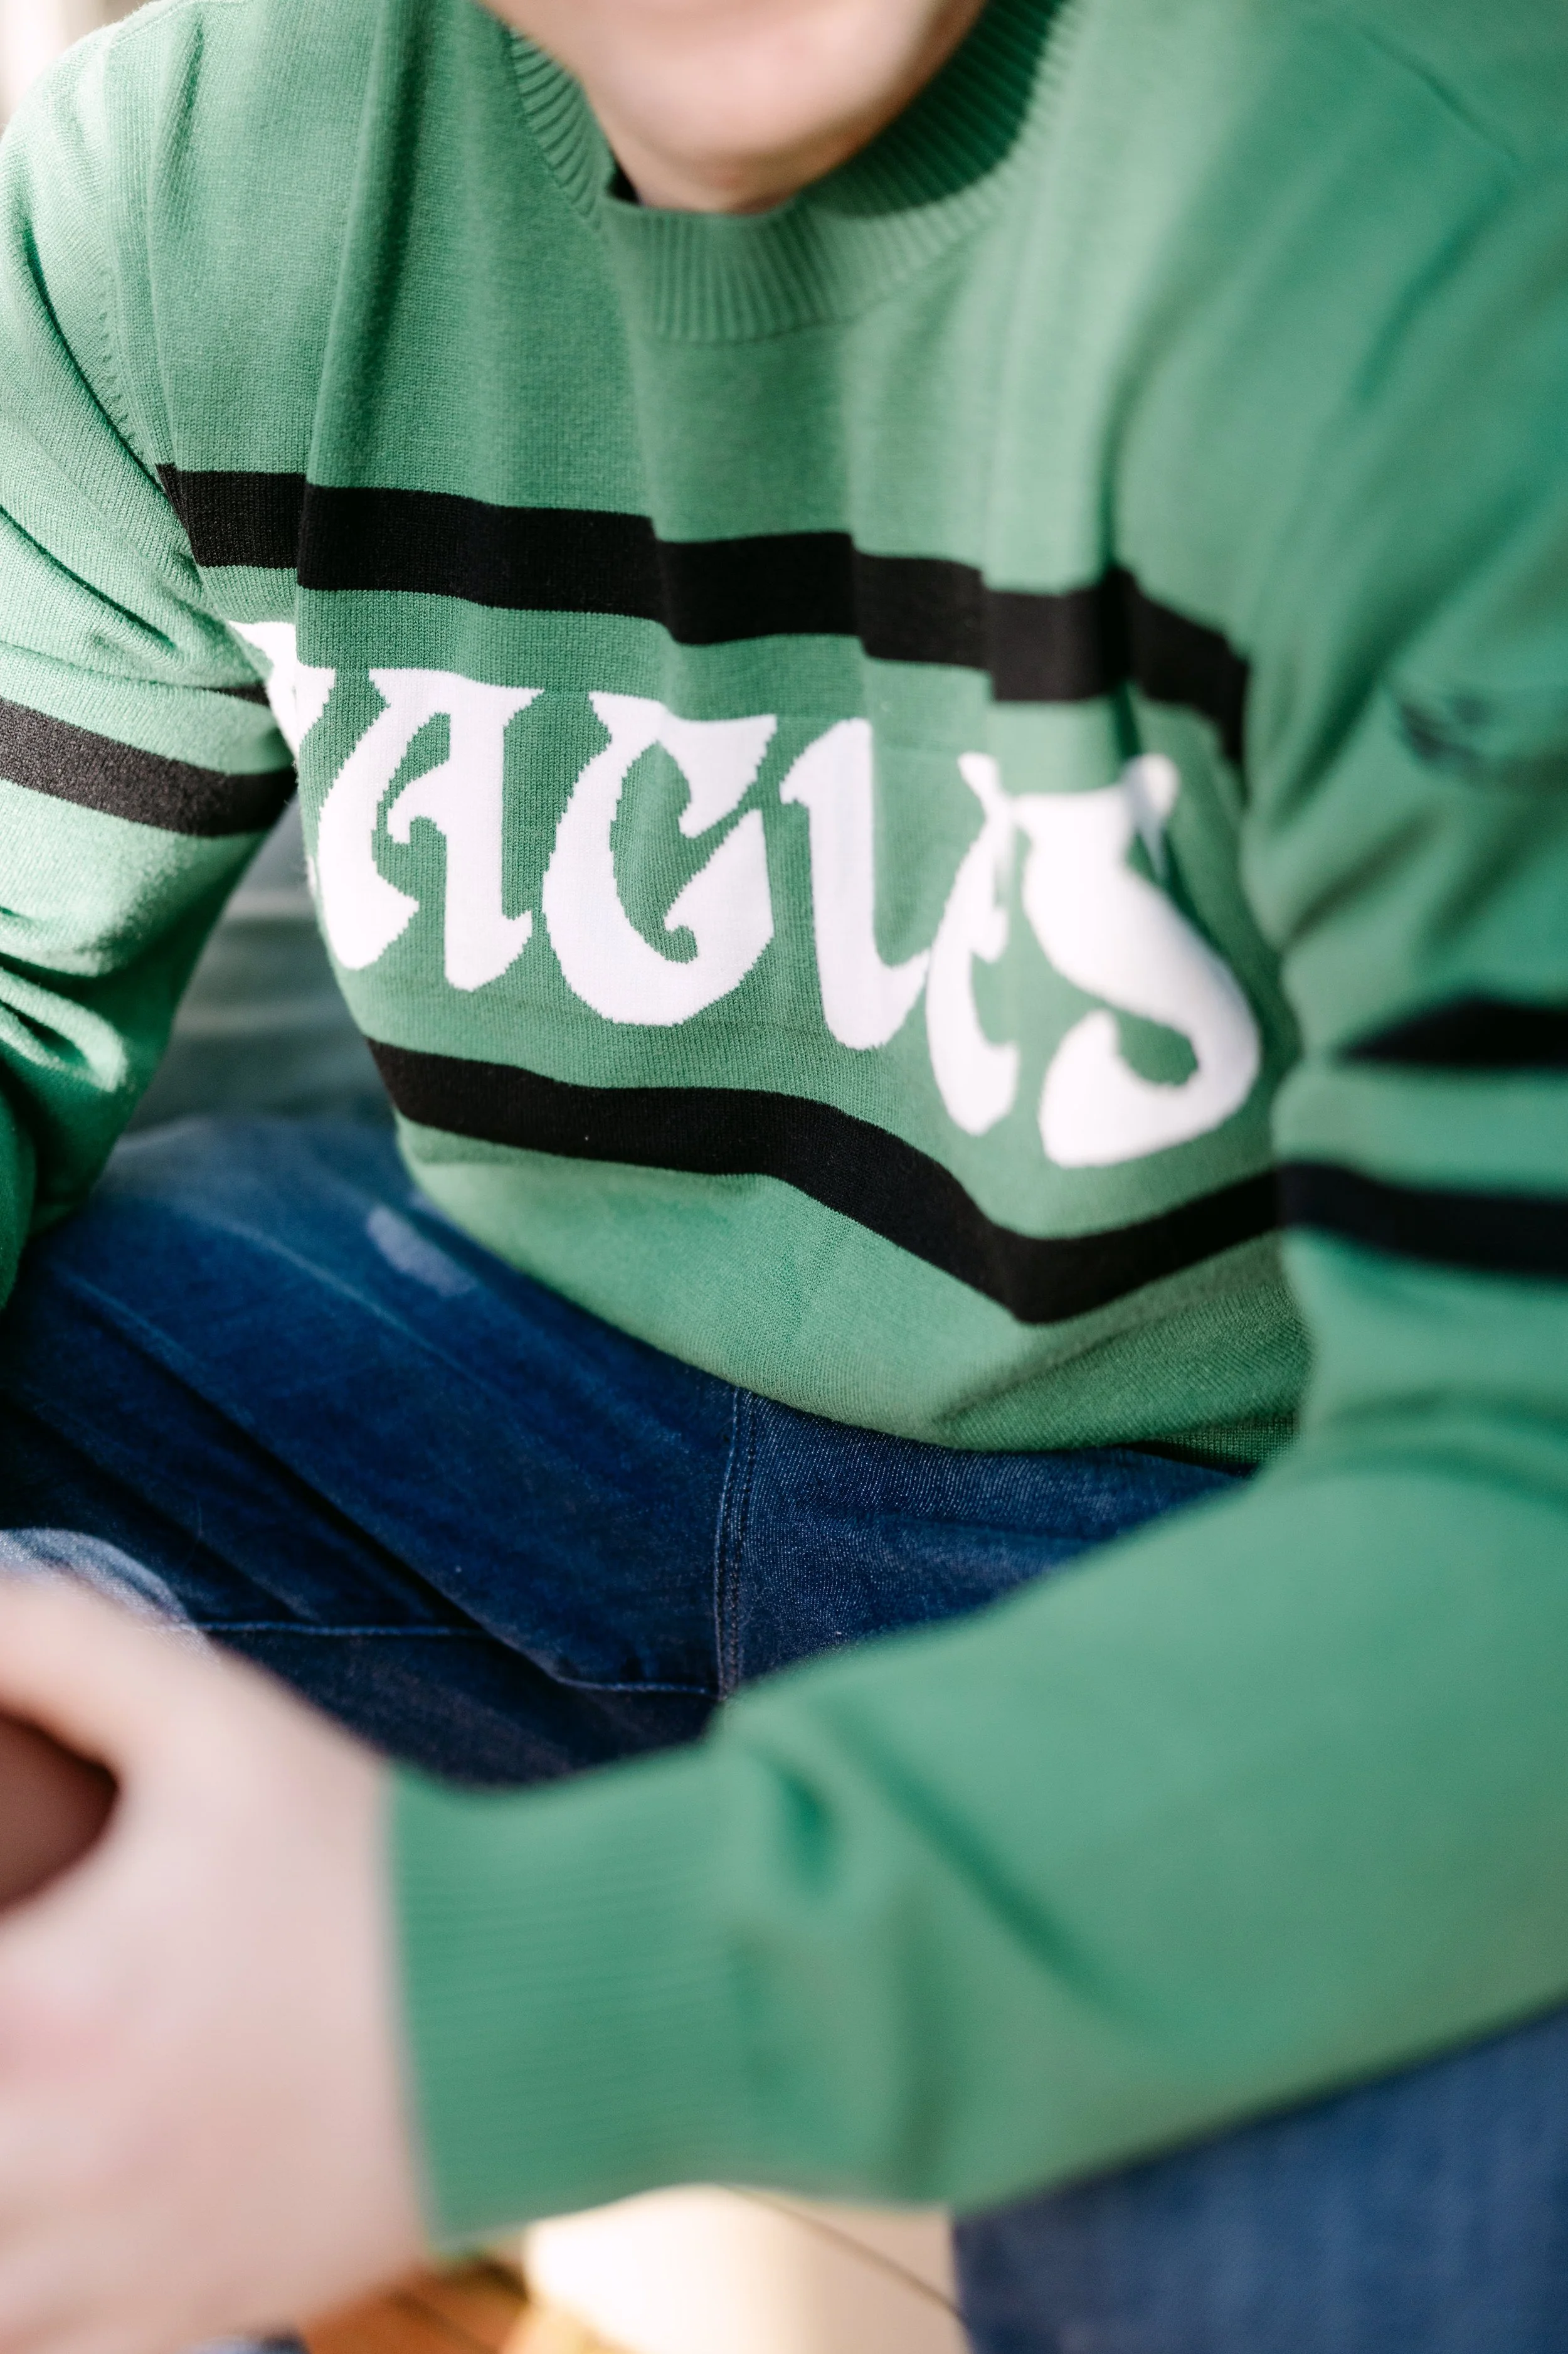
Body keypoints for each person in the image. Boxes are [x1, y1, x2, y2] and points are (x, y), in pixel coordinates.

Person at [0, 0, 1566, 2348]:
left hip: (1287, 1522)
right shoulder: (193, 163)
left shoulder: (1449, 211)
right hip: (544, 1394)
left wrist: (477, 2022)